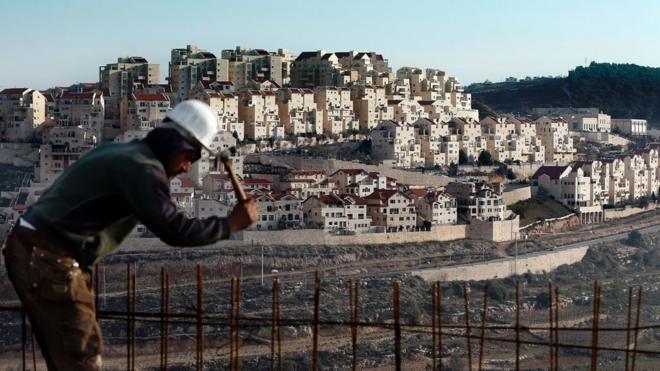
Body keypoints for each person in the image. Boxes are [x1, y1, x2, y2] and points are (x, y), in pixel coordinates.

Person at [2, 100, 258, 370]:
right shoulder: (143, 170)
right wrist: (231, 224)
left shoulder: (124, 153)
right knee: (80, 354)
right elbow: (175, 229)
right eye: (191, 157)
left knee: (69, 353)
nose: (186, 167)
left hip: (37, 250)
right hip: (47, 256)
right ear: (177, 144)